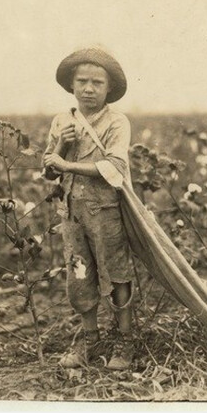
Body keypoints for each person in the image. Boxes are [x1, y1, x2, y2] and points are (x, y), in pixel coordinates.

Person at [42, 48, 137, 371]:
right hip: (71, 211)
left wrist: (66, 162)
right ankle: (90, 338)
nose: (89, 88)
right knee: (79, 274)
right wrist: (60, 145)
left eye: (97, 82)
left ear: (109, 88)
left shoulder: (116, 122)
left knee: (116, 273)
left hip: (105, 210)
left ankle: (124, 340)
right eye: (82, 81)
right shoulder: (61, 121)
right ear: (71, 85)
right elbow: (49, 171)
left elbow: (114, 167)